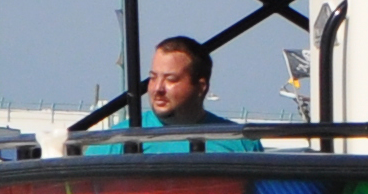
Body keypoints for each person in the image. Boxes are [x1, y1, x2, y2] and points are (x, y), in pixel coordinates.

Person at [86, 35, 250, 155]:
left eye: (170, 79)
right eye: (153, 77)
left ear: (201, 87)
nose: (158, 88)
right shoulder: (114, 142)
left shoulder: (241, 143)